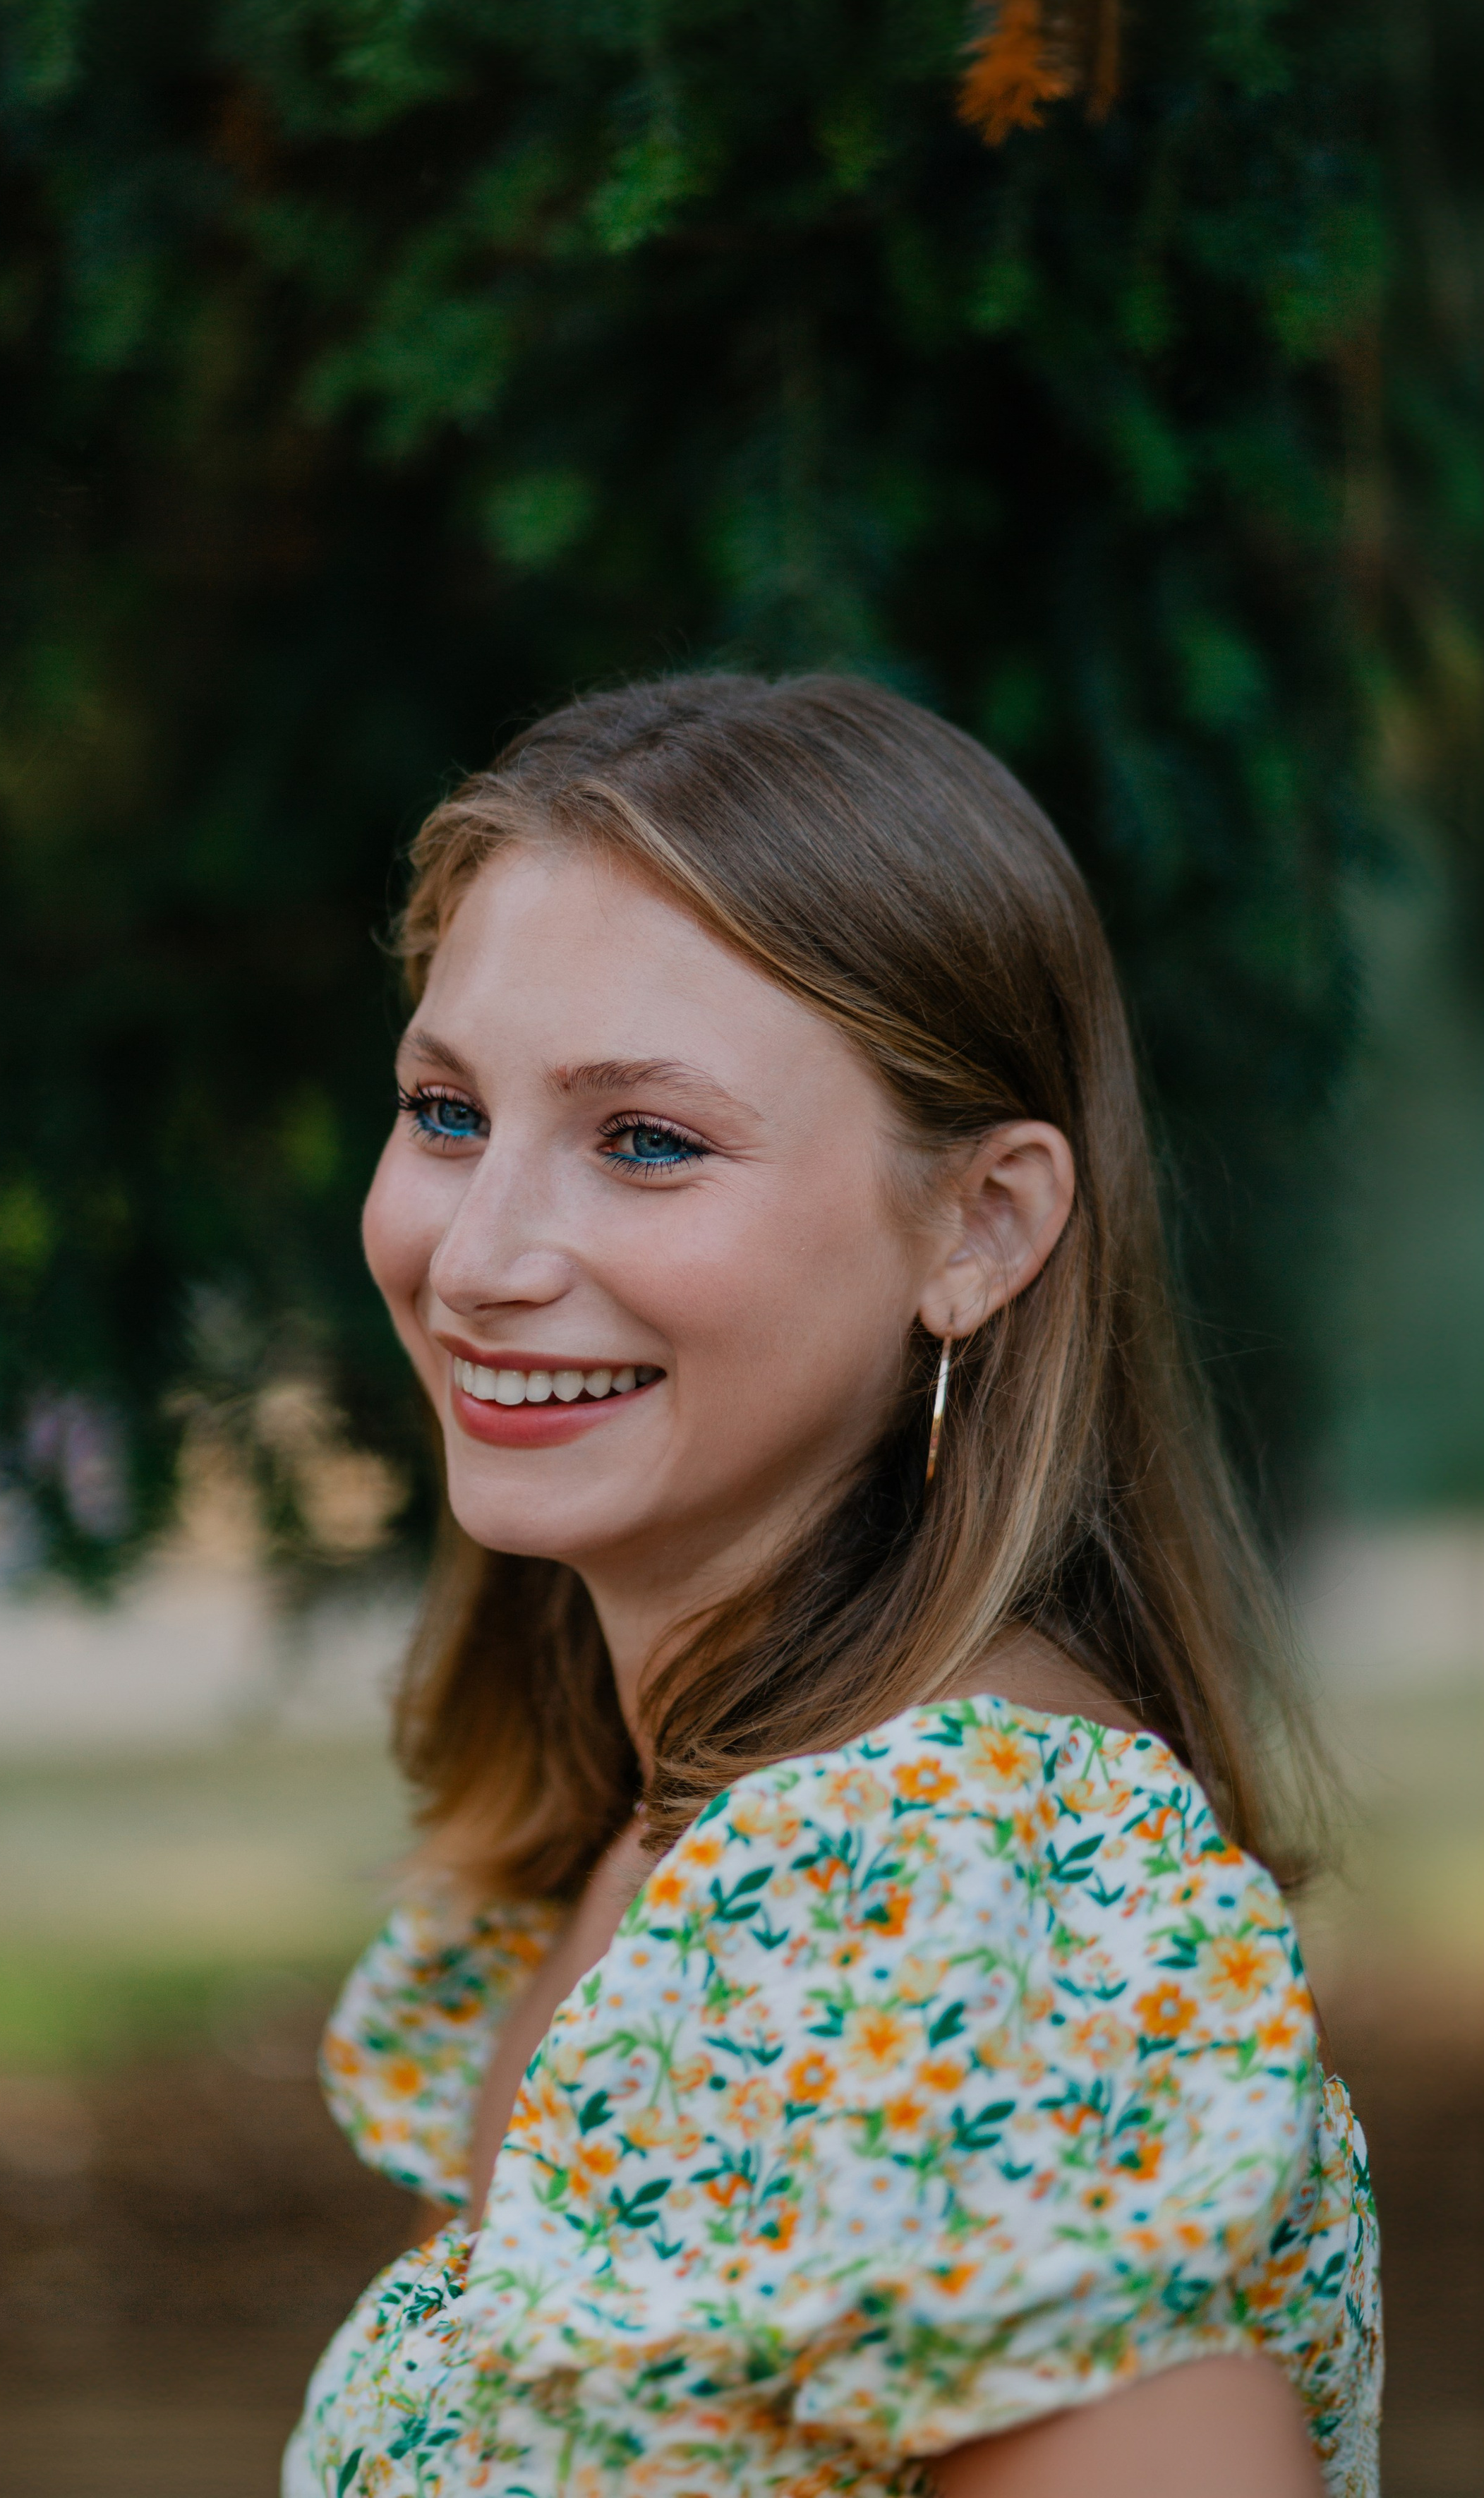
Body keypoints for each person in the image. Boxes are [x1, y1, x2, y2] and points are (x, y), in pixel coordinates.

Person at [285, 675, 1380, 2498]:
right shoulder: (640, 1843)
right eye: (447, 1110)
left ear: (982, 1229)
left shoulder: (943, 1892)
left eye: (646, 1139)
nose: (476, 1257)